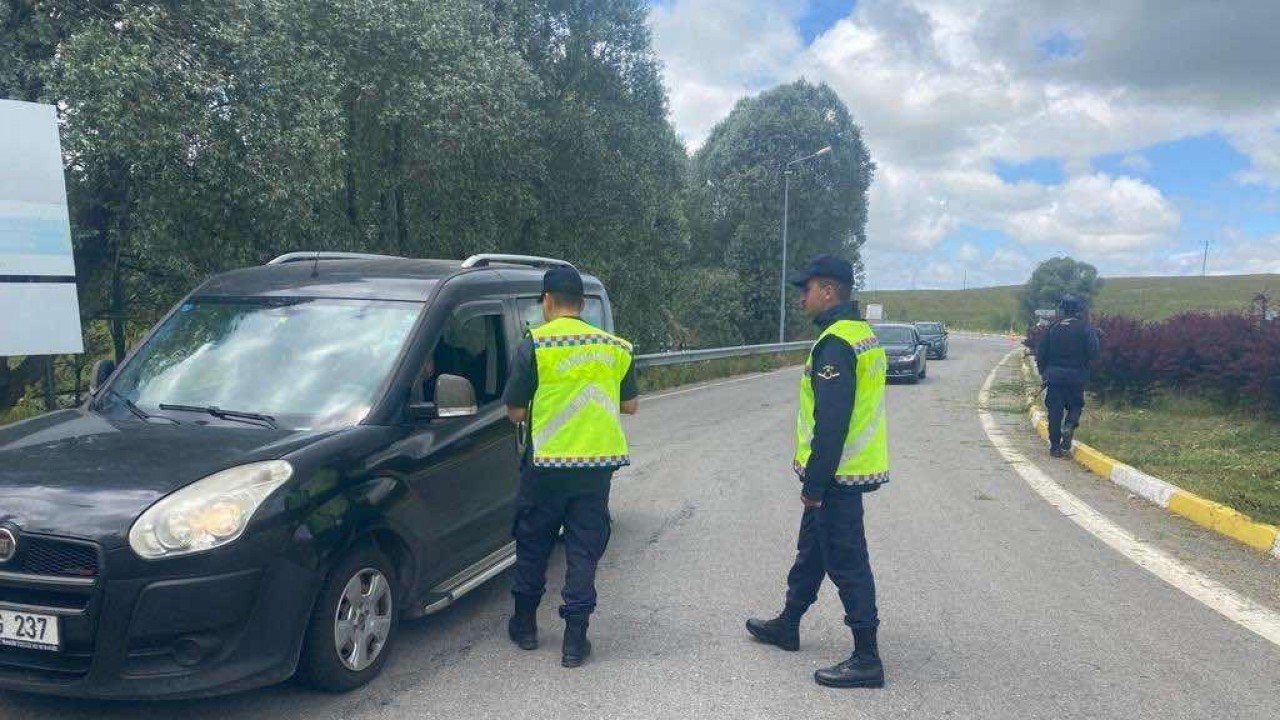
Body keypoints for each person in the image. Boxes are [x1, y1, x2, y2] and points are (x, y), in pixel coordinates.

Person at [746, 254, 890, 689]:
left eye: (805, 289)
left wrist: (814, 483)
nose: (801, 298)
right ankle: (788, 624)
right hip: (842, 473)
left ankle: (867, 657)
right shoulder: (858, 334)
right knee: (812, 553)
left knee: (848, 562)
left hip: (837, 477)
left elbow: (832, 422)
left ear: (828, 290)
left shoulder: (836, 344)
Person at [502, 265, 639, 668]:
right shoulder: (615, 347)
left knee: (534, 543)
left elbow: (514, 412)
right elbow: (630, 405)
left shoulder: (536, 344)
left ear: (547, 301)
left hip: (546, 466)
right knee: (583, 550)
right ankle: (574, 642)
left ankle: (525, 627)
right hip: (596, 469)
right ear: (582, 305)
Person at [1036, 294, 1100, 458]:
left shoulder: (1053, 328)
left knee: (1055, 412)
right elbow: (1094, 352)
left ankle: (1055, 447)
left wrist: (1043, 373)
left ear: (1062, 309)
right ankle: (1070, 425)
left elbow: (1041, 353)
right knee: (1075, 406)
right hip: (1076, 377)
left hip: (1054, 377)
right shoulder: (1086, 327)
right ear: (1079, 310)